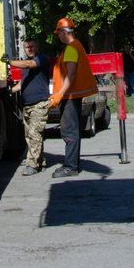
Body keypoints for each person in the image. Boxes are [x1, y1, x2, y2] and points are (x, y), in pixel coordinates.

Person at [48, 17, 97, 178]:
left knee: (69, 132)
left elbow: (70, 75)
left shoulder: (70, 49)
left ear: (63, 32)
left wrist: (60, 94)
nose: (58, 36)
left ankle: (70, 166)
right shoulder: (77, 46)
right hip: (72, 96)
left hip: (69, 97)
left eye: (59, 33)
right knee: (73, 131)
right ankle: (72, 164)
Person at [8, 38, 53, 175]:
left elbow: (29, 64)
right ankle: (40, 162)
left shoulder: (41, 59)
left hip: (39, 104)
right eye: (27, 47)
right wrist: (10, 90)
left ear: (37, 47)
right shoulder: (25, 67)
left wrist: (9, 62)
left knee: (34, 134)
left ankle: (32, 165)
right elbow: (22, 84)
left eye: (32, 46)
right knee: (31, 136)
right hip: (27, 105)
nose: (30, 49)